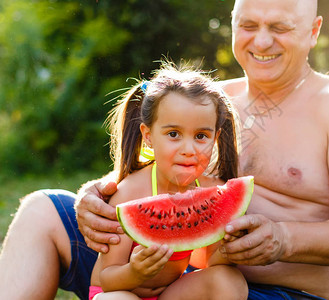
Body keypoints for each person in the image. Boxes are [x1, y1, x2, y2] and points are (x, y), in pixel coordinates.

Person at [0, 0, 329, 299]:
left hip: (273, 292)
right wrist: (96, 195)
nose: (262, 40)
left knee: (221, 283)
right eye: (249, 25)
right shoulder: (213, 102)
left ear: (313, 30)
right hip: (161, 273)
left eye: (280, 27)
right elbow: (153, 174)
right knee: (42, 209)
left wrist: (283, 238)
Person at [87, 64, 247, 300]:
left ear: (215, 138)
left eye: (201, 136)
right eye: (173, 134)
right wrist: (135, 271)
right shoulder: (129, 192)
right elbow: (107, 279)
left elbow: (204, 260)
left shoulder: (213, 189)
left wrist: (228, 248)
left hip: (169, 293)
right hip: (120, 291)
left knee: (228, 279)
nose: (189, 150)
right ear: (148, 136)